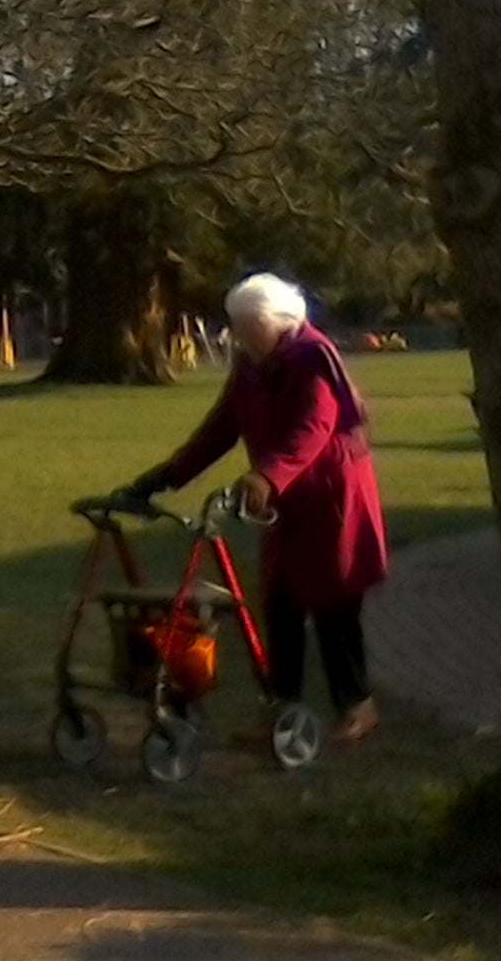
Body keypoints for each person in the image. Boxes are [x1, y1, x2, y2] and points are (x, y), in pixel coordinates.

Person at [121, 273, 388, 744]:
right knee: (279, 605)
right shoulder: (251, 365)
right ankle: (282, 709)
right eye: (238, 329)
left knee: (333, 608)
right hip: (283, 503)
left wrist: (267, 476)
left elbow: (314, 428)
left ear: (281, 324)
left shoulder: (312, 359)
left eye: (250, 329)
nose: (241, 339)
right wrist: (165, 476)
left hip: (330, 500)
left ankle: (357, 705)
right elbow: (222, 427)